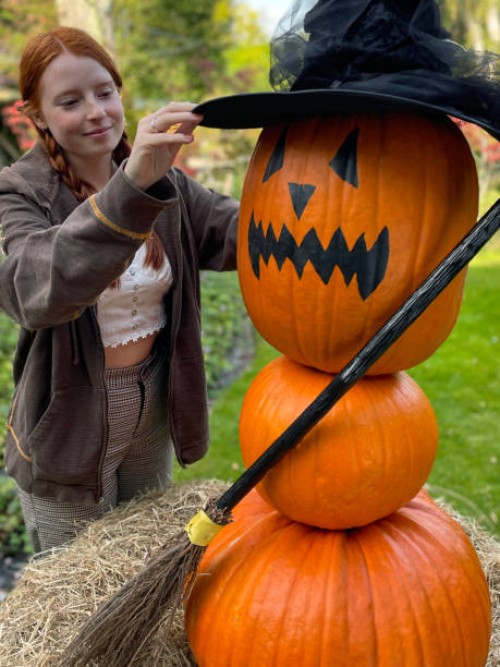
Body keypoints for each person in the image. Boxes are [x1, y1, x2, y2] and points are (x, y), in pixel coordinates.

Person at [0, 26, 239, 553]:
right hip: (68, 426)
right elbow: (35, 288)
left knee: (140, 568)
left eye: (104, 92)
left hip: (151, 406)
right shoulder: (19, 191)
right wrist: (130, 189)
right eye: (70, 101)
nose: (96, 111)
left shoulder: (166, 182)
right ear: (36, 116)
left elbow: (236, 232)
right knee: (77, 593)